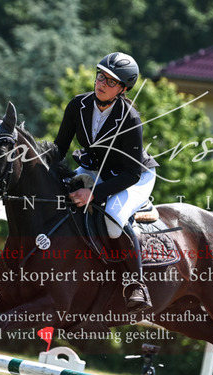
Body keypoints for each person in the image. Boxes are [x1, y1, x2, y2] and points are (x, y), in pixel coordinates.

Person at [53, 52, 159, 313]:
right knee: (57, 196)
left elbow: (131, 173)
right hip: (95, 168)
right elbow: (59, 148)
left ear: (123, 89)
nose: (102, 83)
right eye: (101, 76)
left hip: (133, 177)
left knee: (112, 219)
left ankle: (136, 284)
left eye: (111, 82)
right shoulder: (78, 105)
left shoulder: (130, 118)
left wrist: (93, 194)